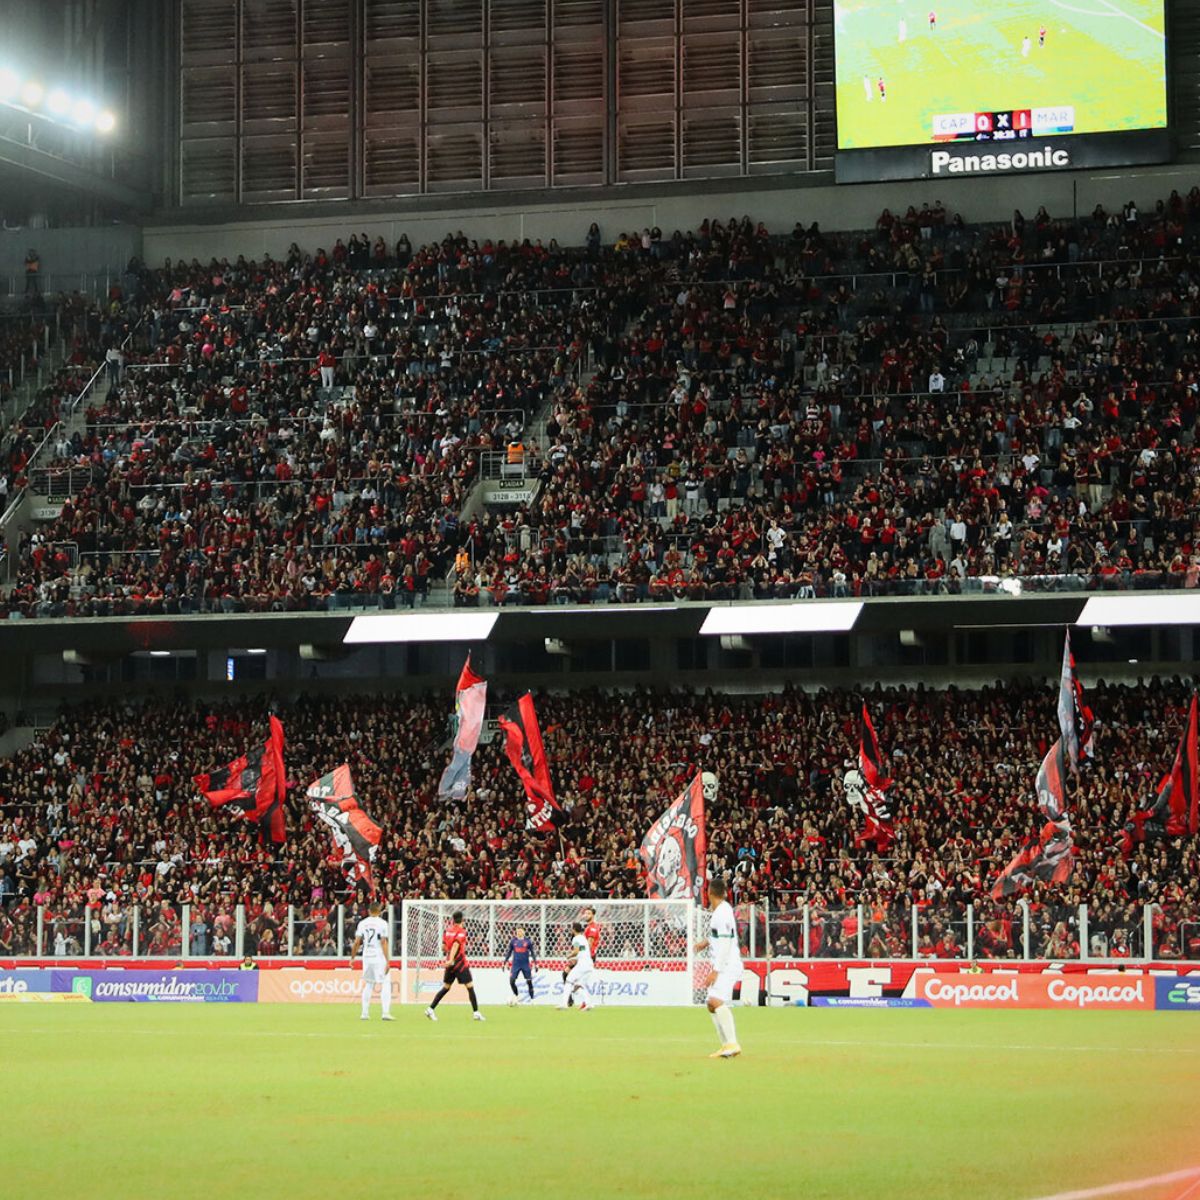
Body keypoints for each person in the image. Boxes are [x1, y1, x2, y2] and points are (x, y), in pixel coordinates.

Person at [695, 878, 742, 1059]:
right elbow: (722, 936)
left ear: (709, 893)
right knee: (710, 1004)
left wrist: (715, 970)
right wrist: (706, 943)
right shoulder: (725, 909)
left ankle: (732, 1043)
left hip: (727, 964)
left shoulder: (720, 914)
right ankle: (726, 1045)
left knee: (715, 1001)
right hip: (727, 963)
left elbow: (724, 943)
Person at [425, 909, 484, 1022]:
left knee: (446, 987)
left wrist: (448, 957)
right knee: (470, 986)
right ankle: (476, 1013)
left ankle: (430, 1009)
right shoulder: (461, 931)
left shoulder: (447, 930)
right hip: (459, 963)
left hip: (449, 963)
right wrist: (452, 959)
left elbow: (443, 947)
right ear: (462, 920)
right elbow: (456, 945)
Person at [351, 899, 393, 1021]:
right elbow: (383, 942)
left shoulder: (362, 923)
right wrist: (388, 961)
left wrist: (352, 958)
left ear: (369, 911)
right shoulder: (383, 923)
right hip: (378, 956)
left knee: (369, 984)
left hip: (367, 956)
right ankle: (385, 1012)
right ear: (379, 911)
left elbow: (357, 942)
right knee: (385, 982)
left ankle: (364, 1013)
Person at [557, 921, 593, 1011]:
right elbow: (583, 949)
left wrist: (569, 956)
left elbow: (576, 951)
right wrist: (576, 955)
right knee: (577, 986)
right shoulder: (583, 938)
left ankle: (564, 1004)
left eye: (571, 928)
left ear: (573, 929)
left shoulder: (576, 939)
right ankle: (588, 1003)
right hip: (589, 964)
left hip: (583, 964)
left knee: (569, 980)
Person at [503, 924, 537, 1005]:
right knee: (511, 981)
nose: (519, 933)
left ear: (523, 932)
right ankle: (517, 996)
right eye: (518, 931)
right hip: (515, 965)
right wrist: (505, 962)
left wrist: (536, 963)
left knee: (529, 982)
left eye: (521, 931)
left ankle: (532, 999)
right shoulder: (513, 941)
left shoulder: (528, 941)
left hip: (525, 964)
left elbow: (532, 952)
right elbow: (509, 952)